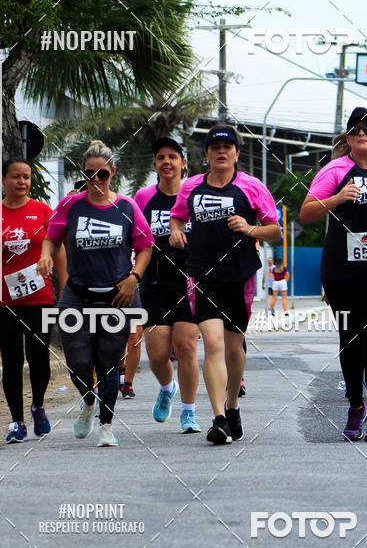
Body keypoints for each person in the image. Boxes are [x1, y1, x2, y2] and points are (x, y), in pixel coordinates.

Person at [300, 107, 367, 443]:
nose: (362, 133)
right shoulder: (335, 169)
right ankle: (355, 405)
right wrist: (336, 198)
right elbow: (306, 213)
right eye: (355, 129)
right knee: (351, 338)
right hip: (341, 270)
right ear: (348, 139)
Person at [170, 124, 281, 444]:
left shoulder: (251, 186)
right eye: (215, 147)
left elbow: (274, 230)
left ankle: (232, 405)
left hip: (240, 275)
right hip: (202, 274)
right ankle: (218, 418)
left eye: (227, 147)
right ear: (206, 154)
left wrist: (249, 229)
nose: (221, 152)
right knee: (213, 344)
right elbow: (178, 216)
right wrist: (177, 230)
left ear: (236, 153)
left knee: (234, 349)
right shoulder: (190, 187)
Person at [37, 140, 153, 446]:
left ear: (112, 172)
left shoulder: (127, 207)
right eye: (90, 174)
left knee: (107, 362)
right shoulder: (70, 205)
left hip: (117, 296)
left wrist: (134, 277)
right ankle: (89, 401)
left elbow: (144, 247)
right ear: (84, 174)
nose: (96, 180)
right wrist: (46, 255)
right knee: (77, 362)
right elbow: (51, 238)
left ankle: (106, 426)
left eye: (102, 174)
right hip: (77, 295)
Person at [0, 157, 67, 443]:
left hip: (40, 298)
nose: (22, 182)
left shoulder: (43, 211)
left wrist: (65, 285)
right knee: (11, 361)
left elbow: (58, 250)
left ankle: (38, 405)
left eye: (26, 177)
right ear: (4, 180)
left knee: (39, 355)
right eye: (16, 177)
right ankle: (17, 421)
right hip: (3, 299)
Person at [134, 137, 201, 433]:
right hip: (155, 283)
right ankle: (166, 387)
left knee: (186, 346)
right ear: (155, 164)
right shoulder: (144, 197)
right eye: (161, 157)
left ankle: (189, 412)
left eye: (173, 156)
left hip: (189, 282)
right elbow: (133, 237)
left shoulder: (196, 196)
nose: (167, 162)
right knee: (158, 354)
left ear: (183, 163)